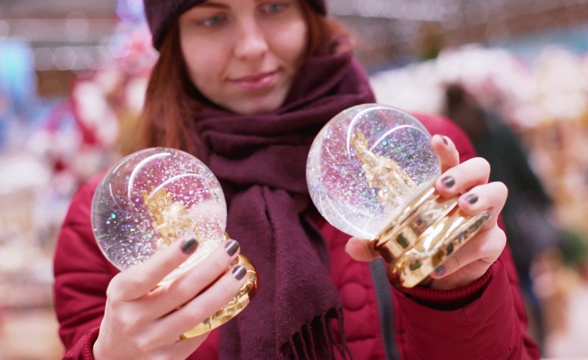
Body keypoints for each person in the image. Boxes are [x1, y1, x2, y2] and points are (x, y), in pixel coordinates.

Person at [53, 0, 540, 359]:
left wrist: (459, 292)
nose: (251, 47)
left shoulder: (419, 153)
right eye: (212, 18)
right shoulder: (120, 211)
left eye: (274, 6)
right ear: (174, 42)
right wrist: (111, 355)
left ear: (310, 16)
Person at [443, 82, 562, 349]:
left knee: (499, 287)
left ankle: (519, 339)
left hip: (475, 226)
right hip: (513, 220)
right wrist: (545, 201)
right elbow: (525, 169)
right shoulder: (496, 128)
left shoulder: (451, 135)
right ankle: (537, 342)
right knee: (527, 282)